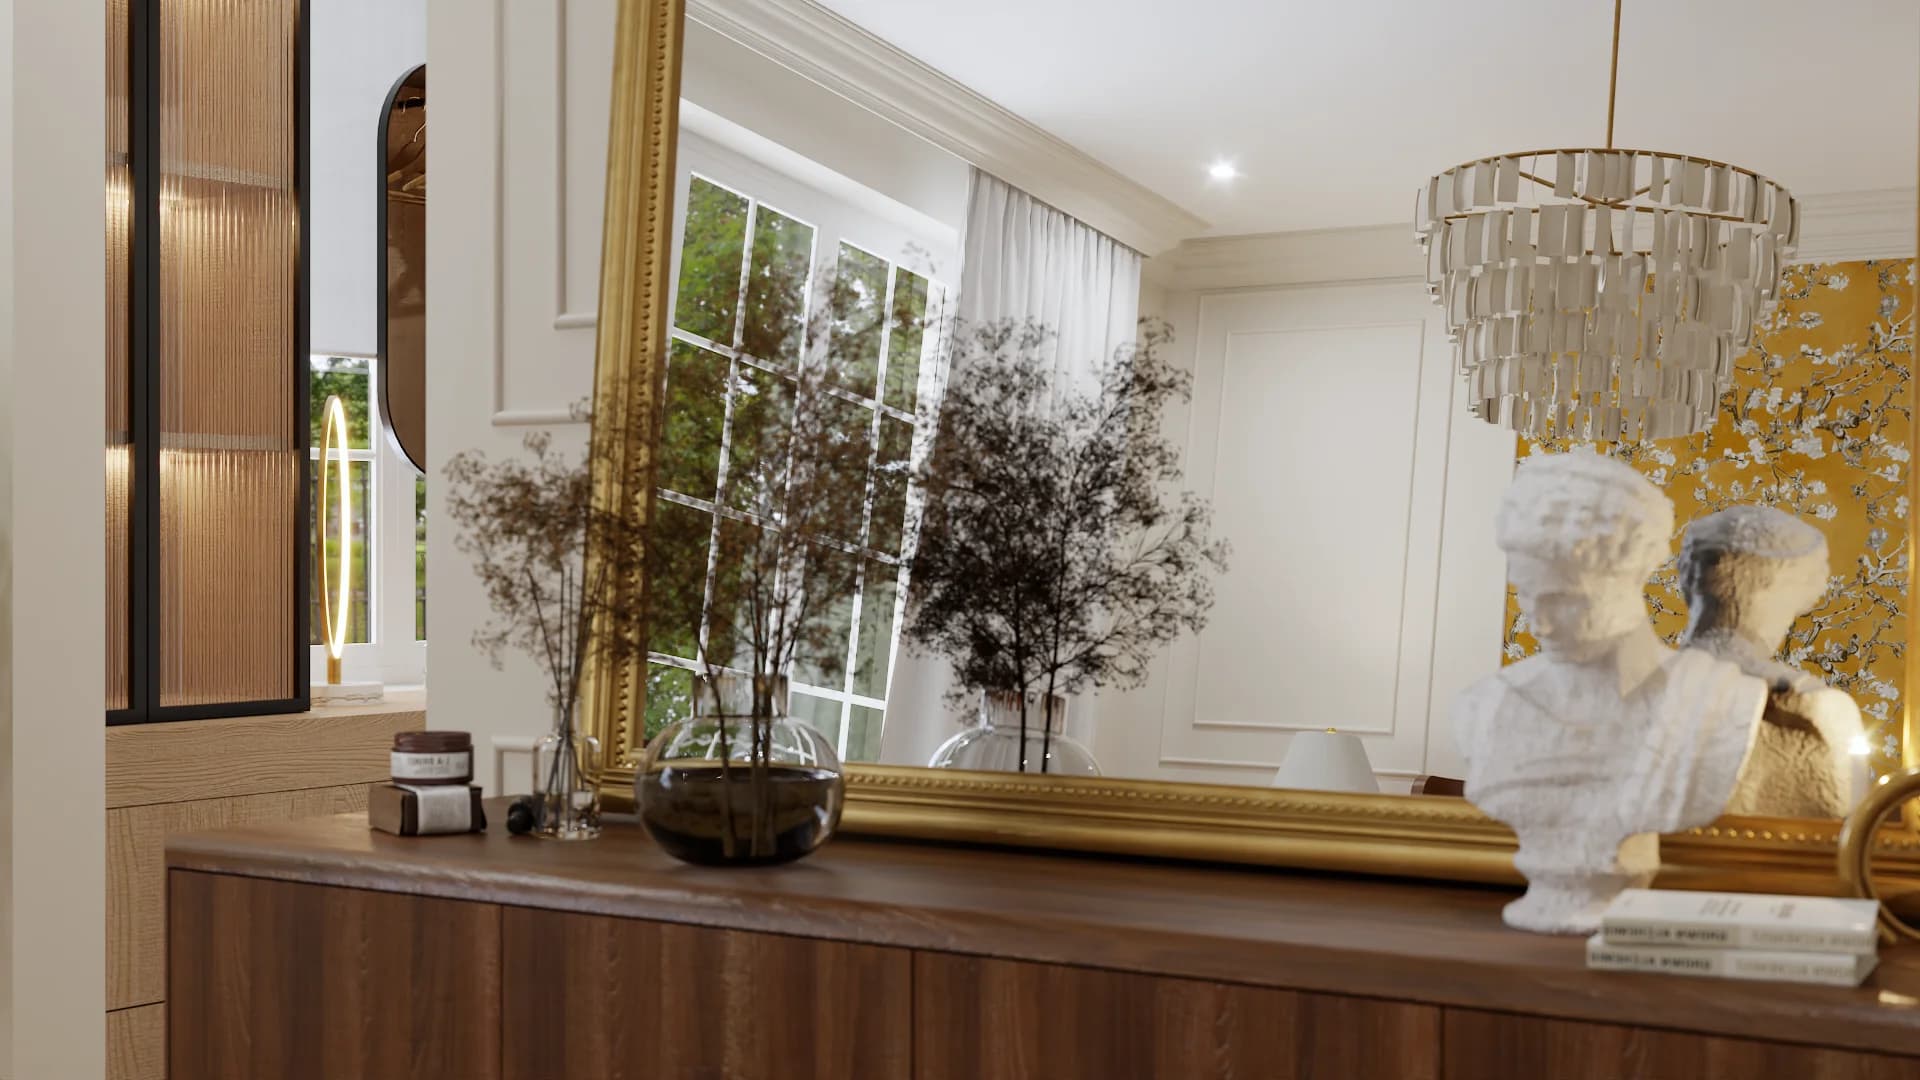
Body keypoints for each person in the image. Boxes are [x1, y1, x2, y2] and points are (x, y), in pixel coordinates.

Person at [1454, 451, 1766, 934]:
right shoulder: (1487, 706)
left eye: (1566, 600)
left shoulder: (1717, 702)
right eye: (1526, 594)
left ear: (1631, 580)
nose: (1539, 623)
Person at [1678, 506, 1864, 818]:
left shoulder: (1622, 690)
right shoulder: (1820, 709)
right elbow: (1850, 835)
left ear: (1688, 578)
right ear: (1778, 586)